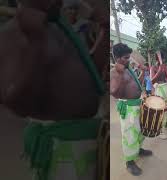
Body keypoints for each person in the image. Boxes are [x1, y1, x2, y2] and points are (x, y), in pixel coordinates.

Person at [0, 0, 108, 179]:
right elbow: (17, 103)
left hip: (92, 143)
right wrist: (35, 41)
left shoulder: (62, 28)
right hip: (61, 151)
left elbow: (93, 75)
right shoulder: (9, 35)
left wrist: (104, 28)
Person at [110, 43, 152, 176]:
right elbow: (114, 92)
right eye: (126, 58)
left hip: (137, 104)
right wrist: (121, 75)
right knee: (129, 135)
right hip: (128, 108)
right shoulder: (114, 72)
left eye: (129, 57)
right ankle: (129, 162)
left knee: (140, 131)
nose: (128, 60)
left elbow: (136, 83)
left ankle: (138, 150)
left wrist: (143, 72)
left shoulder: (128, 69)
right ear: (117, 58)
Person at [151, 51, 167, 140]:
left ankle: (165, 124)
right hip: (158, 90)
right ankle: (160, 131)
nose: (164, 60)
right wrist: (159, 70)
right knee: (160, 110)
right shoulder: (153, 67)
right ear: (157, 59)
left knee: (166, 109)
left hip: (165, 88)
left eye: (164, 58)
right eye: (162, 58)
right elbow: (152, 80)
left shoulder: (164, 66)